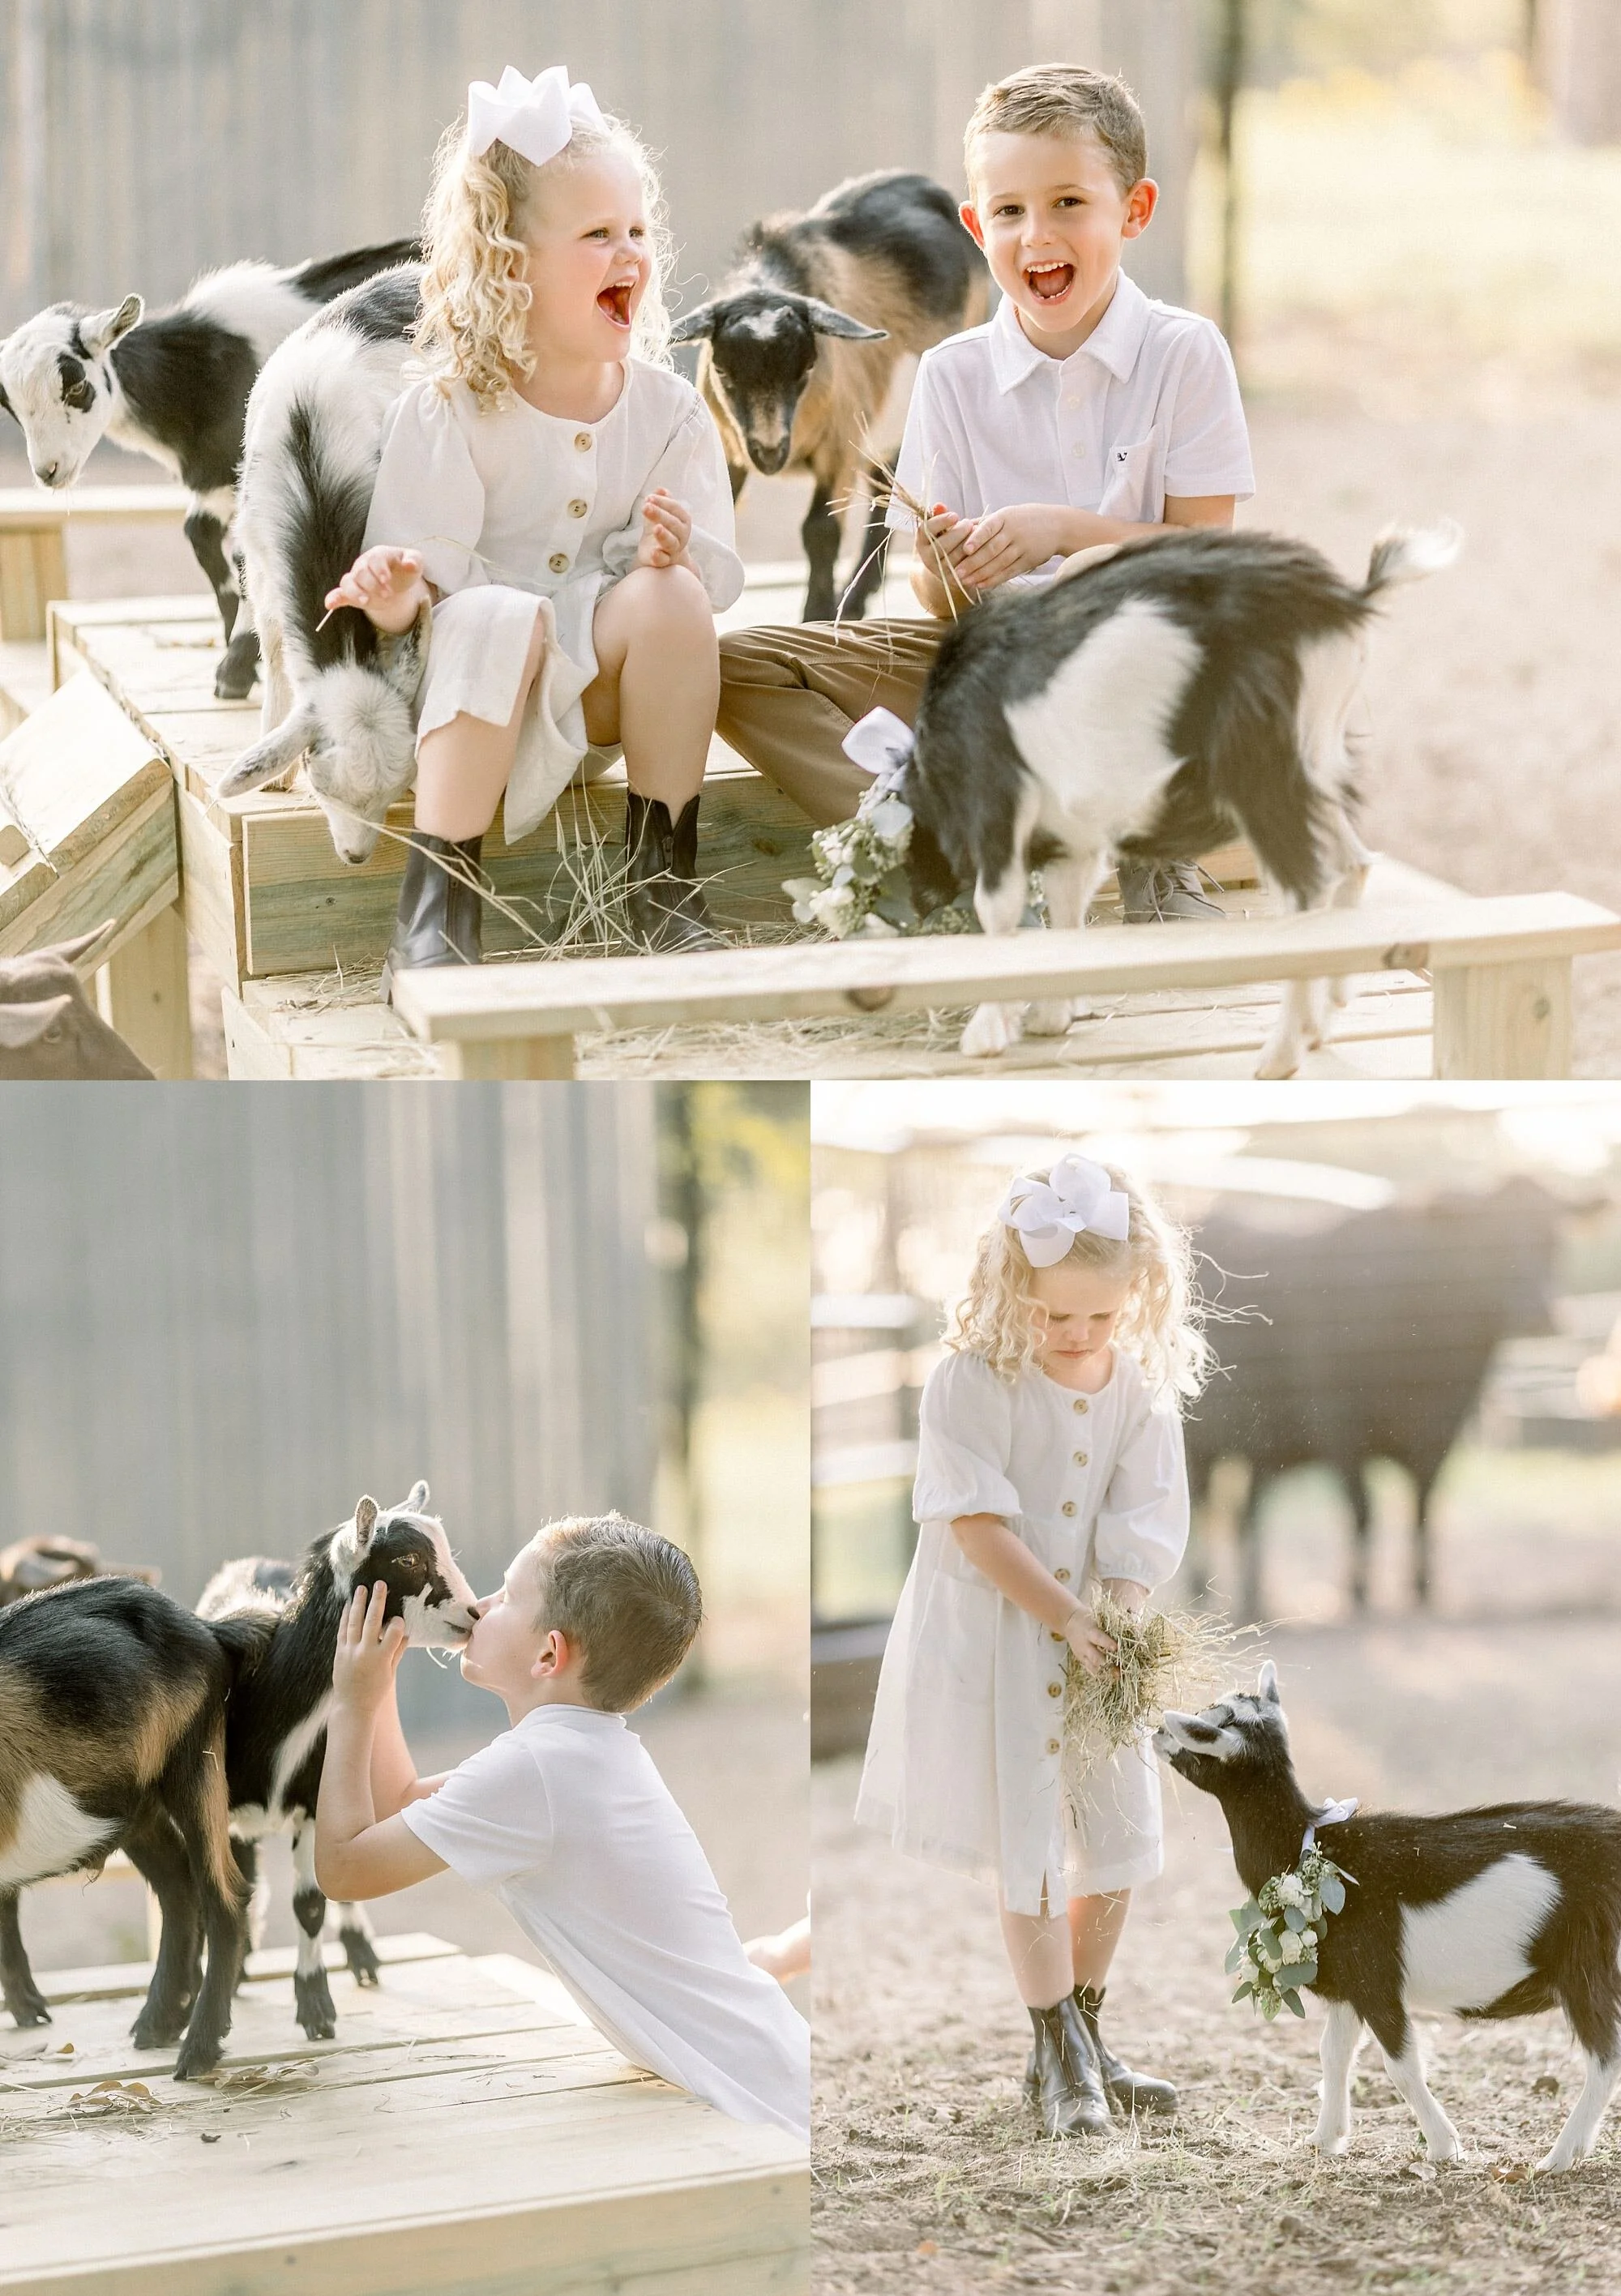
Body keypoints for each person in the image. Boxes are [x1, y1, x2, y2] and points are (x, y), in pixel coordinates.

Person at [715, 61, 1255, 920]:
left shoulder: (1183, 353)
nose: (1035, 236)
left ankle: (1155, 850)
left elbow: (1214, 564)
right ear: (975, 225)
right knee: (739, 667)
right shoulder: (952, 373)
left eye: (1067, 203)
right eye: (1007, 212)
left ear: (1134, 210)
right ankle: (925, 838)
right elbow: (940, 600)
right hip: (993, 667)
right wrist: (942, 566)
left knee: (1098, 593)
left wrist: (1065, 534)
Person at [324, 65, 745, 994]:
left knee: (669, 599)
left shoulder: (668, 410)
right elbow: (416, 599)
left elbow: (708, 584)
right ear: (509, 261)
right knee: (494, 615)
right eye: (596, 235)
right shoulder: (451, 409)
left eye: (636, 231)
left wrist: (664, 557)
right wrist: (396, 596)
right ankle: (438, 904)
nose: (628, 253)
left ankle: (663, 883)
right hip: (469, 707)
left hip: (588, 693)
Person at [854, 1152, 1208, 2137]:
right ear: (1015, 1290)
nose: (1079, 1334)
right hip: (1003, 1631)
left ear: (1133, 1296)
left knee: (1118, 1835)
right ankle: (1053, 2049)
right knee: (1031, 1844)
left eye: (1098, 1316)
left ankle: (1087, 2033)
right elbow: (976, 1528)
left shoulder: (1134, 1384)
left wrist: (1122, 1608)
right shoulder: (970, 1380)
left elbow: (1141, 1514)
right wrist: (1065, 1617)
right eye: (1058, 1316)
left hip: (1096, 1640)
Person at [314, 1511, 810, 2142]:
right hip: (767, 2073)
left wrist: (352, 1700)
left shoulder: (535, 1771)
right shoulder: (574, 1752)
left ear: (549, 1653)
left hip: (761, 2111)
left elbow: (344, 1868)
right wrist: (379, 1673)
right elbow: (400, 1801)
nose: (479, 1605)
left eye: (505, 1595)